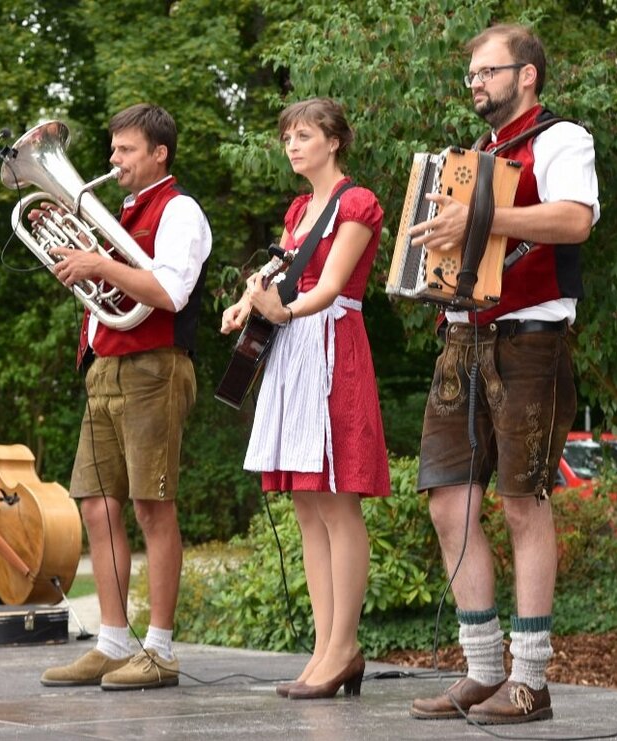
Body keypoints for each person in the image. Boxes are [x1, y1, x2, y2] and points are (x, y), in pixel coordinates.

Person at [407, 24, 599, 724]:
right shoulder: (476, 158)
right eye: (471, 76)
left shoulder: (561, 138)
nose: (476, 85)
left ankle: (532, 678)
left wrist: (480, 218)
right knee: (447, 501)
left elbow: (575, 220)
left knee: (524, 501)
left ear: (526, 75)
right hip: (463, 336)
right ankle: (483, 670)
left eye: (488, 72)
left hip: (532, 336)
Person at [220, 97, 391, 700]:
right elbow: (280, 273)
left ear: (334, 141)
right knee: (306, 504)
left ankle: (344, 647)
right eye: (287, 136)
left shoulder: (356, 202)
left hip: (333, 344)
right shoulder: (299, 208)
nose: (292, 145)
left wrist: (283, 308)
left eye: (303, 135)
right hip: (293, 350)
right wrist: (247, 303)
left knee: (338, 502)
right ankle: (325, 647)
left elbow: (333, 285)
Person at [39, 103, 212, 691]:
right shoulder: (123, 212)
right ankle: (113, 642)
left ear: (159, 153)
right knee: (96, 504)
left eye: (126, 151)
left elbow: (170, 291)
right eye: (113, 151)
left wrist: (99, 267)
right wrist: (88, 270)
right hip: (106, 369)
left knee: (151, 506)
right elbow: (111, 294)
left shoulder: (180, 209)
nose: (113, 161)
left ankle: (159, 649)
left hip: (155, 367)